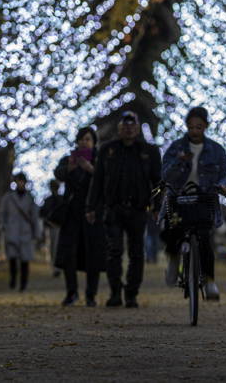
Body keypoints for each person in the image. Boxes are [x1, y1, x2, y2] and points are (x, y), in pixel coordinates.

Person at [85, 111, 162, 308]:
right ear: (119, 129)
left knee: (137, 253)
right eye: (125, 125)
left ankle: (132, 292)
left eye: (132, 125)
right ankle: (115, 291)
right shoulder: (107, 150)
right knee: (114, 251)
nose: (129, 128)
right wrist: (91, 206)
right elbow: (98, 180)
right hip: (114, 208)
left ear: (137, 128)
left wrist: (157, 206)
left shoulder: (149, 151)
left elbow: (157, 180)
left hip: (138, 209)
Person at [161, 106, 226, 301]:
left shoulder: (216, 150)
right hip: (179, 199)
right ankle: (174, 259)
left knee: (203, 239)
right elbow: (166, 175)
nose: (194, 131)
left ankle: (209, 282)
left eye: (199, 127)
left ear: (206, 127)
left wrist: (224, 185)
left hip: (203, 200)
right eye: (191, 126)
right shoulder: (176, 147)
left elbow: (225, 173)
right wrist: (179, 161)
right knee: (171, 229)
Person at [53, 126, 107, 307]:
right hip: (72, 213)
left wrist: (92, 170)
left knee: (93, 253)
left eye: (88, 139)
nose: (84, 142)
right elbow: (57, 174)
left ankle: (91, 294)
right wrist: (70, 168)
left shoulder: (101, 159)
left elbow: (108, 179)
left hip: (93, 212)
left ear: (94, 142)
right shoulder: (70, 159)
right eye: (82, 139)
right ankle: (71, 292)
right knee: (69, 252)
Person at [0, 171, 43, 291]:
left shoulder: (30, 198)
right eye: (18, 180)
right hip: (11, 231)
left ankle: (24, 283)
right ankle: (13, 279)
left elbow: (34, 217)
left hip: (25, 232)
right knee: (12, 258)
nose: (20, 183)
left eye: (22, 180)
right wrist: (4, 226)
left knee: (25, 259)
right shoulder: (8, 197)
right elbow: (2, 213)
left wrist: (37, 233)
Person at [40, 180, 63, 278]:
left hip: (54, 227)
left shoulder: (50, 200)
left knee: (54, 248)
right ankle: (57, 267)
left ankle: (56, 267)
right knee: (56, 247)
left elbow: (43, 213)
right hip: (55, 227)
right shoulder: (60, 199)